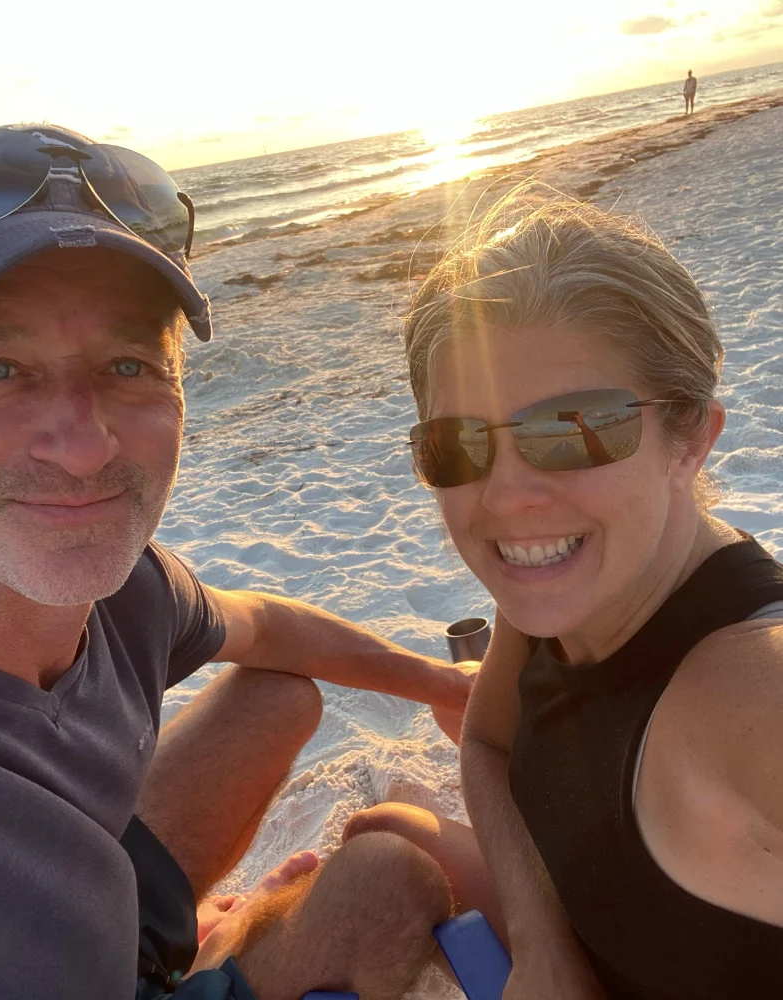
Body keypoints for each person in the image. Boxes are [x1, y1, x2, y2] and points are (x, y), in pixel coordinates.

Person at [0, 124, 472, 1000]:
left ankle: (172, 946)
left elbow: (269, 625)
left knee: (278, 691)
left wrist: (443, 687)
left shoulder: (126, 591)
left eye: (128, 363)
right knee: (391, 875)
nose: (82, 445)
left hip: (93, 916)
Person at [347, 192, 783, 998]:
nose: (506, 497)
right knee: (383, 833)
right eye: (458, 445)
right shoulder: (555, 601)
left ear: (691, 438)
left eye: (576, 429)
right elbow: (485, 746)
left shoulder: (751, 690)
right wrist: (546, 944)